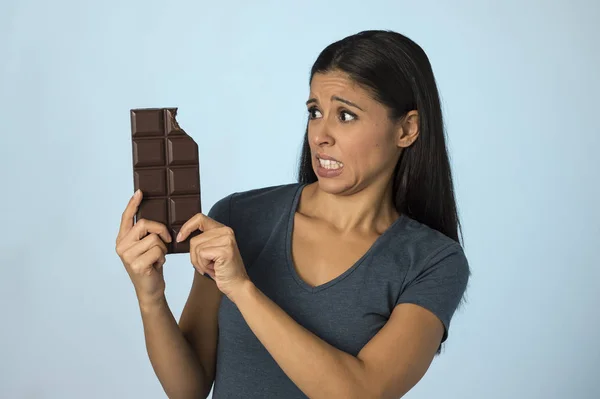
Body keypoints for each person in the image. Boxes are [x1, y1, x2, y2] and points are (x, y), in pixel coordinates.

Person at [115, 29, 471, 399]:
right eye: (315, 112)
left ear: (407, 129)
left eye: (346, 115)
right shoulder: (238, 217)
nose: (320, 135)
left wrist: (243, 289)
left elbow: (363, 392)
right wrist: (151, 298)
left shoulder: (432, 262)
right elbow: (187, 389)